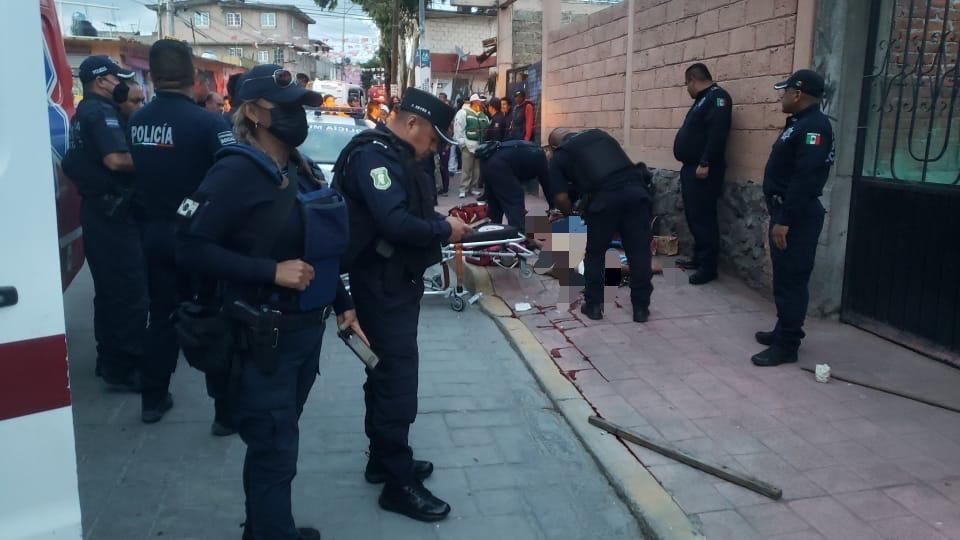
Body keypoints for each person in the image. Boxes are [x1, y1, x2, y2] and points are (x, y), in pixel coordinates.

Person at [177, 64, 361, 540]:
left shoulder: (297, 166)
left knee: (279, 442)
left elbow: (318, 244)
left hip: (302, 336)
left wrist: (342, 301)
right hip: (263, 338)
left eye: (302, 107)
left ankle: (266, 527)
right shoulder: (235, 171)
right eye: (289, 108)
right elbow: (187, 245)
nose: (298, 116)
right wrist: (269, 271)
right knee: (274, 450)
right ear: (255, 112)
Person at [331, 87, 472, 523]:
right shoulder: (374, 156)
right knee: (395, 380)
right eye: (432, 139)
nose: (432, 149)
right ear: (412, 123)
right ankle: (397, 484)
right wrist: (443, 228)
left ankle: (383, 460)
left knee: (383, 373)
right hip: (381, 284)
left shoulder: (389, 153)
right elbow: (394, 221)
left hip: (393, 281)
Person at [129, 39, 238, 425]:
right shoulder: (209, 123)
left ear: (153, 77)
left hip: (155, 233)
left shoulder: (137, 122)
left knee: (161, 316)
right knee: (211, 316)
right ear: (193, 75)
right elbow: (230, 177)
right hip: (200, 236)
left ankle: (152, 400)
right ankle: (224, 412)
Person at [61, 56, 146, 391]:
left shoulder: (87, 112)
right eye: (118, 78)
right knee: (130, 292)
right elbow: (115, 159)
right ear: (101, 81)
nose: (122, 84)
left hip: (102, 213)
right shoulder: (99, 113)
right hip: (113, 216)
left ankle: (110, 361)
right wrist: (155, 158)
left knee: (111, 293)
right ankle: (127, 367)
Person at [752, 70, 834, 367]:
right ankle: (782, 329)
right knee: (785, 277)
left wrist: (785, 218)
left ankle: (787, 345)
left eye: (784, 91)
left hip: (796, 215)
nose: (781, 96)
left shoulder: (815, 128)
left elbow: (806, 177)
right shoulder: (800, 124)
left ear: (797, 93)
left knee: (793, 280)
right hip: (787, 210)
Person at [547, 128, 653, 323]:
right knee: (639, 252)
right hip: (636, 193)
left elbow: (561, 198)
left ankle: (594, 306)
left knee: (595, 254)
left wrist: (571, 215)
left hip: (603, 202)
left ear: (554, 146)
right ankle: (641, 309)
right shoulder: (599, 134)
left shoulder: (559, 157)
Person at [672, 63, 732, 285]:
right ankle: (698, 258)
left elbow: (718, 132)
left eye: (686, 84)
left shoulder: (718, 98)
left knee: (704, 218)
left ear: (692, 80)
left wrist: (705, 161)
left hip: (704, 170)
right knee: (694, 216)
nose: (687, 89)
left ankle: (708, 267)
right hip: (692, 168)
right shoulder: (703, 99)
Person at [477, 140, 548, 231]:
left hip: (489, 161)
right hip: (498, 165)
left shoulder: (531, 150)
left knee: (495, 203)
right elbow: (546, 183)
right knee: (515, 200)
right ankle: (518, 236)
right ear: (549, 149)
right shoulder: (540, 155)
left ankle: (492, 234)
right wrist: (553, 206)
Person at [453, 93, 487, 198]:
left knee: (476, 169)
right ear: (473, 102)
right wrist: (462, 143)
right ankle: (463, 189)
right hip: (467, 145)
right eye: (479, 101)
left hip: (479, 146)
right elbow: (458, 129)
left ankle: (472, 188)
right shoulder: (463, 113)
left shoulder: (482, 114)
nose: (480, 103)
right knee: (466, 169)